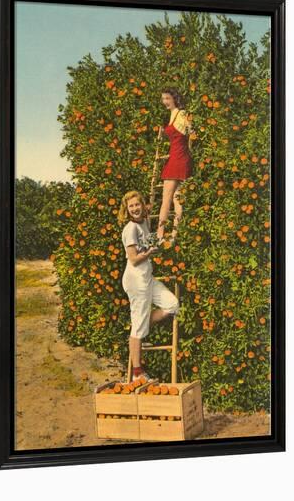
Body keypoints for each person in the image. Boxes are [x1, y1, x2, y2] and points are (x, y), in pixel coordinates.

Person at [118, 190, 180, 382]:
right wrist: (150, 252)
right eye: (131, 207)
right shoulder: (130, 229)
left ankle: (142, 329)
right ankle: (138, 373)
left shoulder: (143, 221)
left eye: (138, 205)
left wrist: (173, 198)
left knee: (172, 305)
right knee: (137, 327)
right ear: (126, 210)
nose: (135, 209)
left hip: (147, 278)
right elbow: (134, 259)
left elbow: (156, 206)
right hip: (136, 280)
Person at [157, 87, 194, 243]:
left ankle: (159, 236)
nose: (164, 102)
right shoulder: (172, 114)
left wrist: (188, 146)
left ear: (174, 99)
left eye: (167, 98)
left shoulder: (182, 113)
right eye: (163, 99)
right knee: (177, 198)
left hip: (179, 158)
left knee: (167, 198)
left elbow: (191, 133)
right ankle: (173, 236)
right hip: (177, 157)